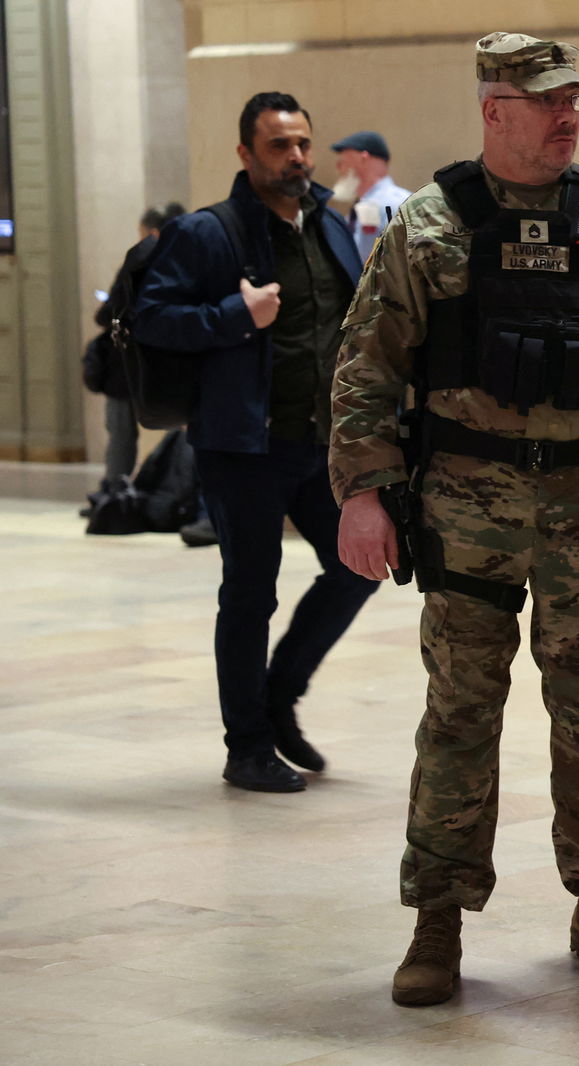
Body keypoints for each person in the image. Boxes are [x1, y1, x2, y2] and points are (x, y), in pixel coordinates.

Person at [329, 33, 579, 1007]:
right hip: (466, 506)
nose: (565, 115)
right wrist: (365, 490)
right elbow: (366, 365)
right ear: (493, 109)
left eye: (573, 96)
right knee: (460, 711)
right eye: (544, 100)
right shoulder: (429, 226)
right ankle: (437, 920)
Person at [134, 91, 380, 793]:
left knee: (359, 567)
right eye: (279, 145)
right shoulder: (207, 234)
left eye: (303, 143)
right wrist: (234, 315)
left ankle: (278, 696)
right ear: (246, 154)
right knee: (249, 593)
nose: (297, 157)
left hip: (320, 442)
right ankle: (246, 746)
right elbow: (152, 318)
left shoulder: (327, 226)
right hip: (242, 445)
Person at [82, 203, 183, 514]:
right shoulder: (185, 263)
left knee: (121, 434)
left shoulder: (139, 260)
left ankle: (115, 497)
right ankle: (178, 496)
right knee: (178, 432)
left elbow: (109, 312)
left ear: (153, 232)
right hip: (170, 365)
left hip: (125, 366)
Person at [330, 130, 411, 262]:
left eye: (342, 162)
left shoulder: (396, 204)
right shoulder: (363, 206)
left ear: (363, 158)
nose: (339, 169)